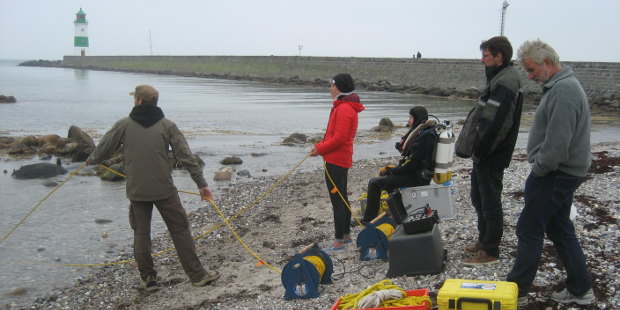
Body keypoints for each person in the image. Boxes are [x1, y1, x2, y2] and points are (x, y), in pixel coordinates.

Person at [86, 85, 219, 292]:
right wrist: (202, 185)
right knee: (180, 231)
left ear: (139, 101)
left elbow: (103, 149)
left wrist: (91, 161)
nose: (134, 100)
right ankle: (197, 276)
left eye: (135, 98)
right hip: (164, 190)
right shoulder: (168, 126)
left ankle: (148, 280)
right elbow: (186, 157)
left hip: (138, 191)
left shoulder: (124, 124)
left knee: (141, 234)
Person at [506, 39, 594, 306]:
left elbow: (557, 144)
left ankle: (515, 292)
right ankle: (581, 290)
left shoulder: (563, 90)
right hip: (563, 173)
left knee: (528, 230)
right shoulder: (561, 86)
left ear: (548, 63)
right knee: (560, 229)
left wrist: (540, 169)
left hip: (556, 174)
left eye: (532, 70)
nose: (530, 77)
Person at [456, 36, 523, 265]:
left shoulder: (505, 82)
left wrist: (483, 151)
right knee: (478, 198)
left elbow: (498, 124)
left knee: (490, 202)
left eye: (485, 55)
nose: (482, 59)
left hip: (491, 155)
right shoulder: (499, 78)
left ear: (499, 57)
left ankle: (491, 251)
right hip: (484, 154)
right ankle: (484, 241)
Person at [310, 73, 365, 251]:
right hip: (337, 158)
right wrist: (321, 147)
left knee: (337, 199)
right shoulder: (342, 106)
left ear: (339, 87)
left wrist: (320, 149)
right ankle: (346, 235)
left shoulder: (344, 108)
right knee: (341, 196)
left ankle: (339, 241)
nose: (329, 89)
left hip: (337, 160)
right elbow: (334, 136)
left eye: (331, 86)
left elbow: (340, 138)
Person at [362, 106, 435, 222]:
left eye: (410, 118)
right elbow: (412, 160)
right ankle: (399, 213)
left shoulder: (423, 137)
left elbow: (411, 164)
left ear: (417, 118)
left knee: (374, 183)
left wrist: (392, 170)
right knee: (387, 180)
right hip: (417, 174)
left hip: (417, 178)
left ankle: (368, 219)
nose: (408, 120)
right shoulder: (424, 133)